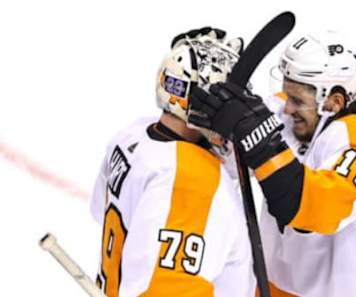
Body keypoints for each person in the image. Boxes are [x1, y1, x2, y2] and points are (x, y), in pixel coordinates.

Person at [189, 31, 356, 297]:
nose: (288, 107)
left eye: (298, 100)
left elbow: (312, 211)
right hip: (276, 289)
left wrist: (260, 140)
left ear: (334, 102)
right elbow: (226, 160)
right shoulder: (288, 113)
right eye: (286, 94)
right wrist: (203, 86)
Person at [90, 28, 255, 297]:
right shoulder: (193, 180)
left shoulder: (133, 136)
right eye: (229, 102)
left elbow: (101, 211)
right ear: (204, 104)